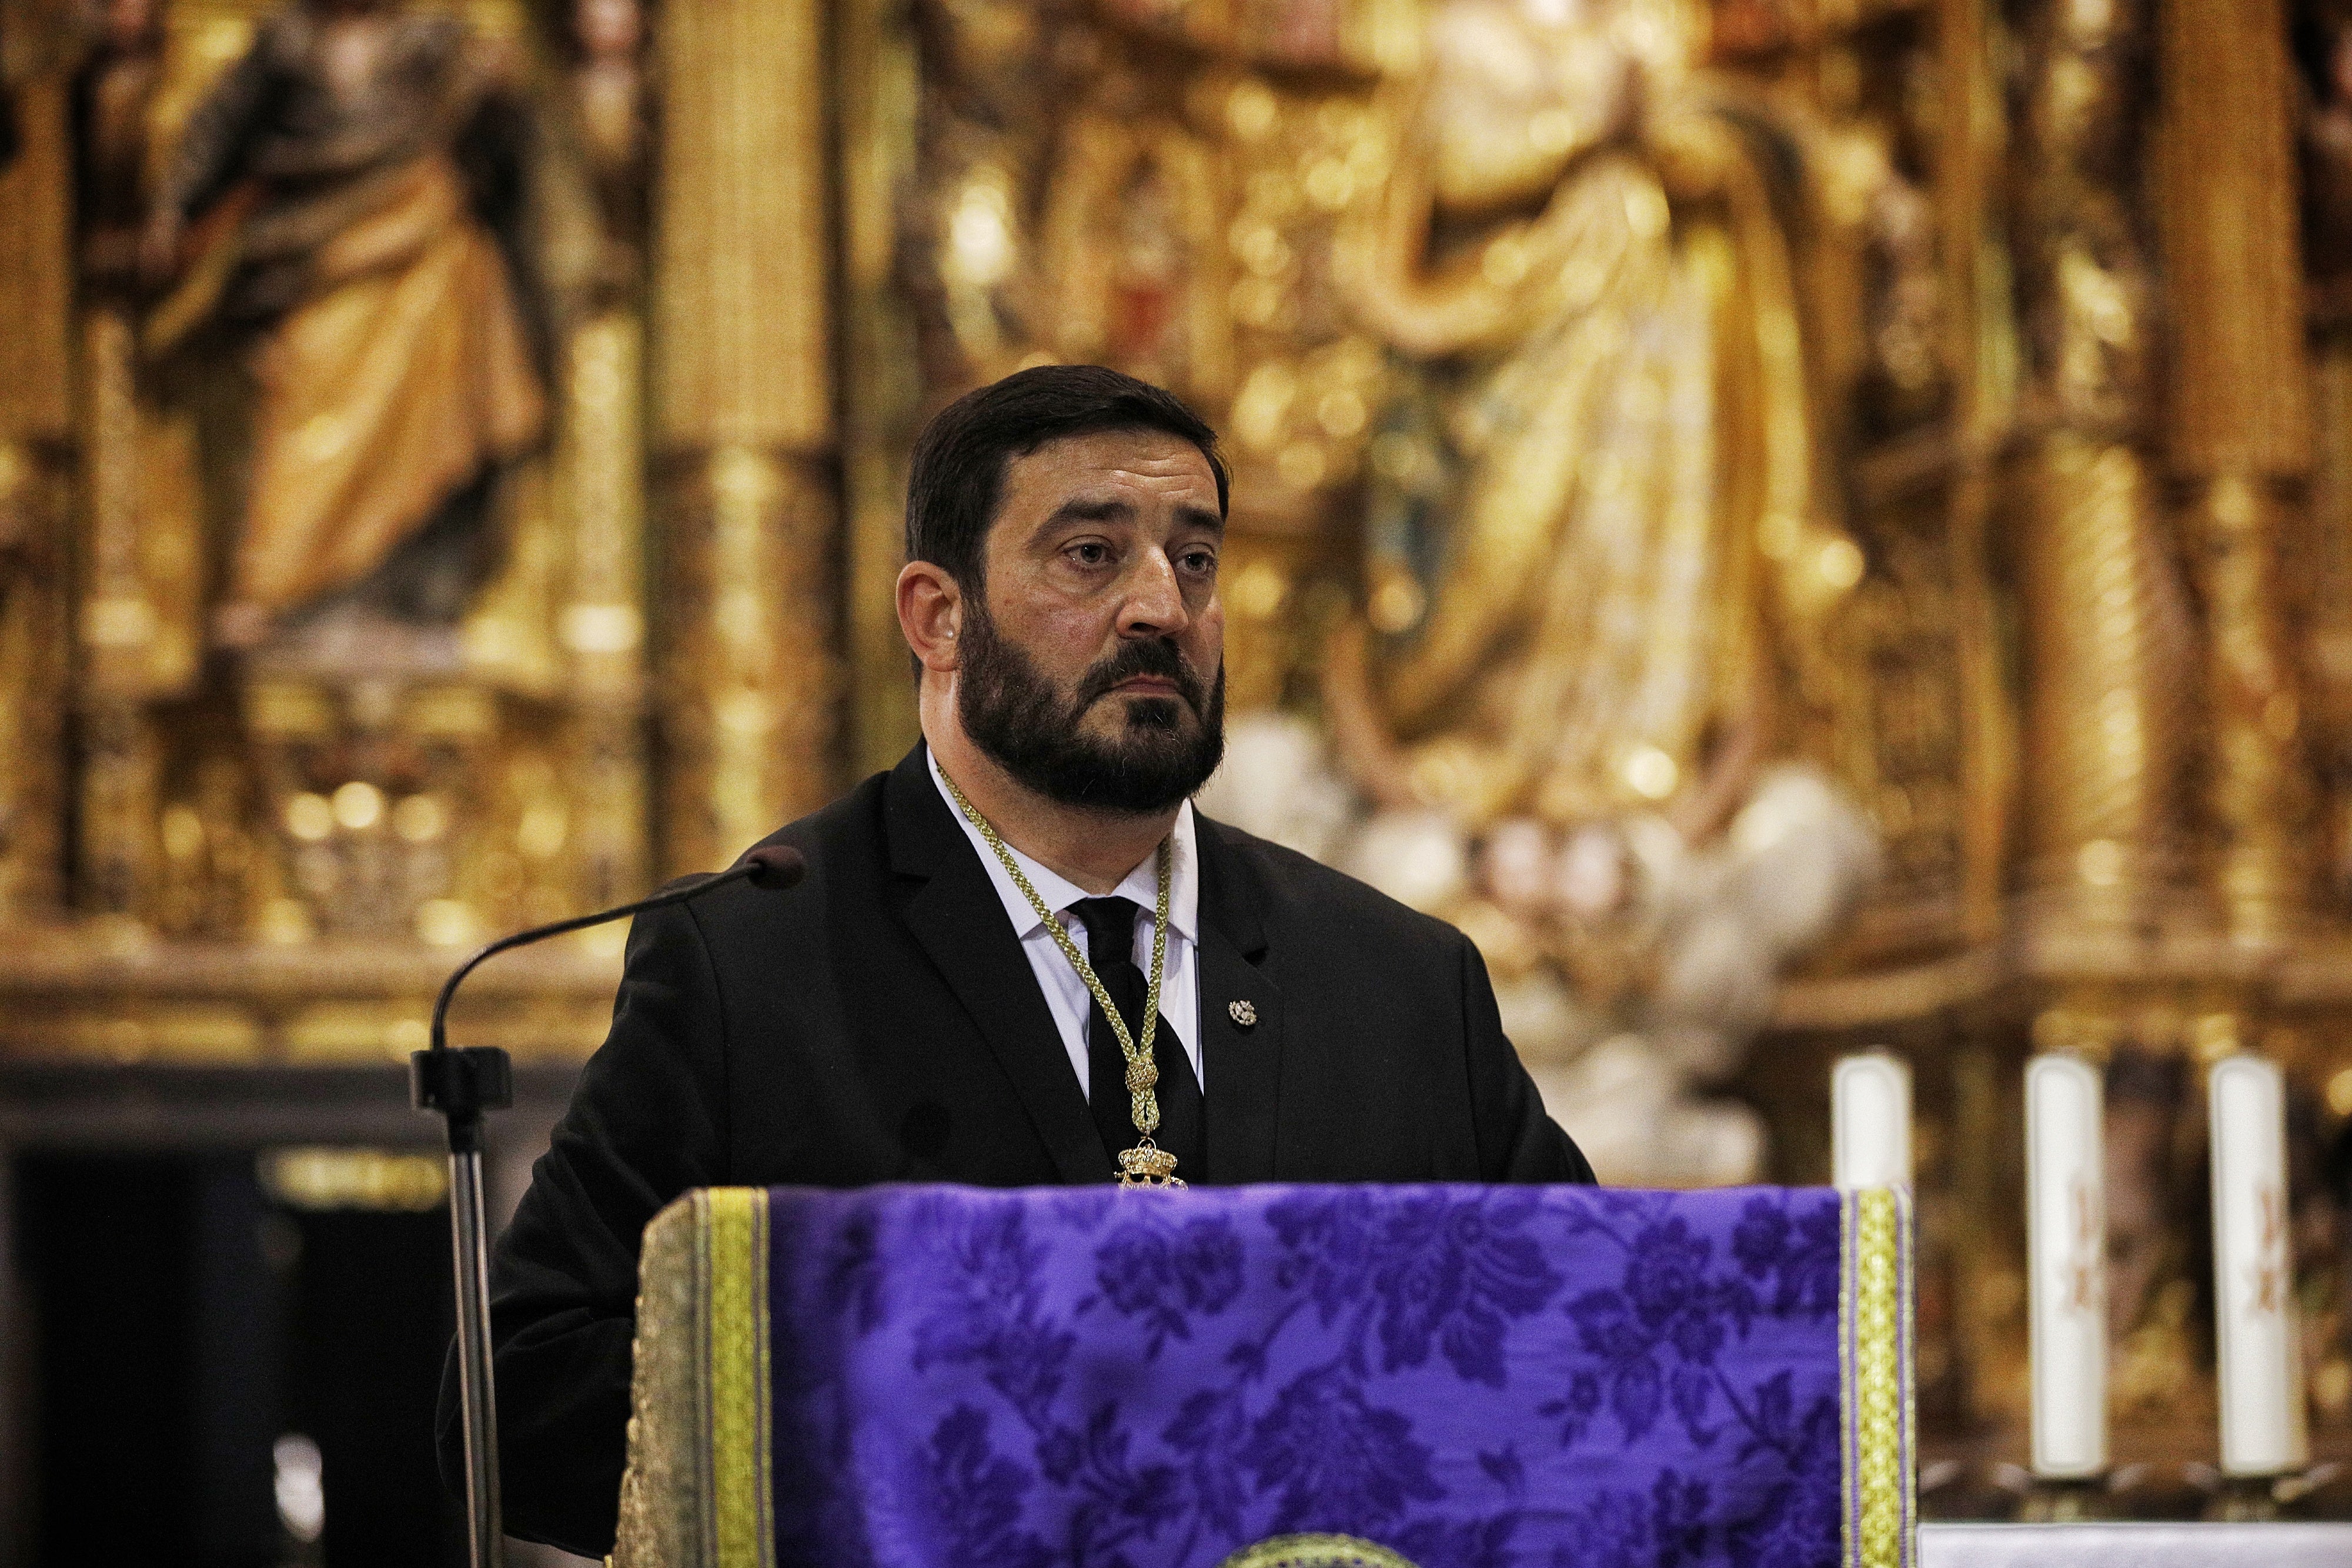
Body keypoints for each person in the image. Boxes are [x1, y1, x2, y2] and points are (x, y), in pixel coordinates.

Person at [449, 365, 1591, 1555]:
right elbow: (519, 1397)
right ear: (937, 616)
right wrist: (938, 1410)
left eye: (1193, 559)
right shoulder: (754, 960)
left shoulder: (1398, 981)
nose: (1161, 605)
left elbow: (1587, 1343)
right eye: (1091, 553)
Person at [139, 0, 546, 650]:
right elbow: (219, 131)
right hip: (313, 263)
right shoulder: (289, 44)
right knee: (303, 434)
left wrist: (500, 98)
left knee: (429, 424)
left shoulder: (435, 43)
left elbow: (505, 159)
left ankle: (399, 593)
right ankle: (278, 591)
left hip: (423, 255)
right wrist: (173, 213)